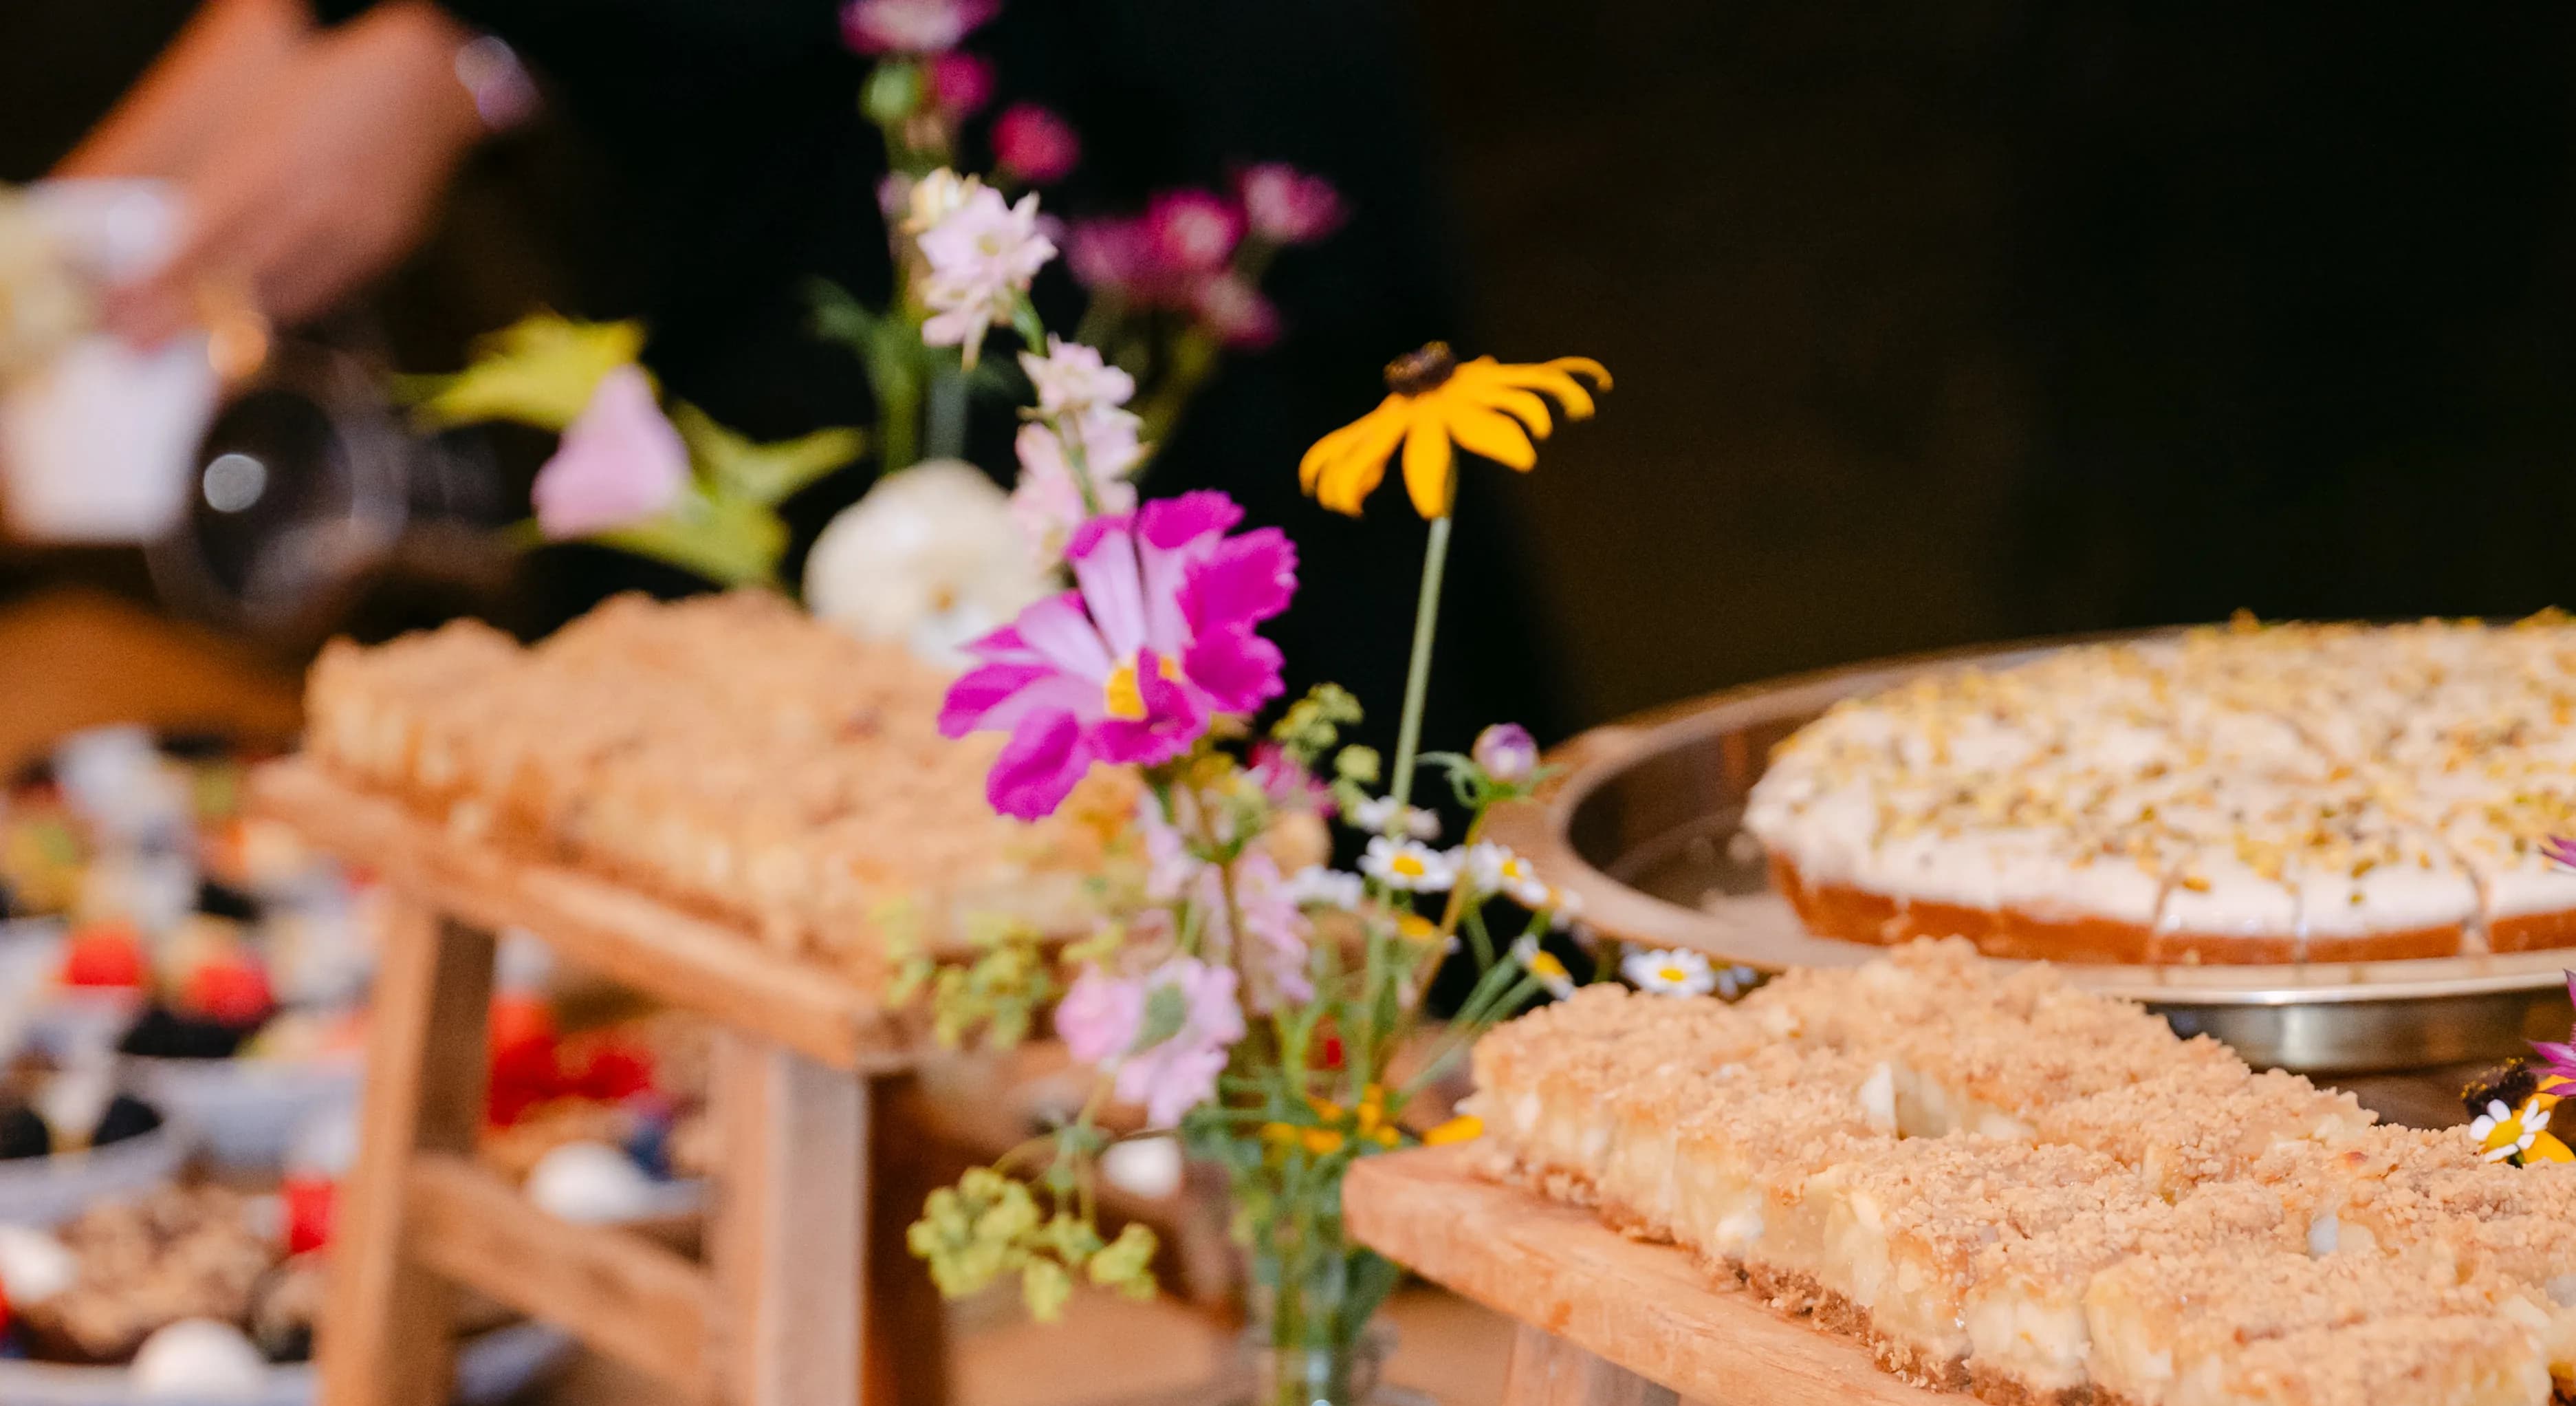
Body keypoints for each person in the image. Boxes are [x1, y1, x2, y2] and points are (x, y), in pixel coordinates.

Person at [68, 0, 1565, 743]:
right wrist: (49, 268)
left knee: (1185, 737)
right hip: (725, 187)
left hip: (1071, 146)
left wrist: (479, 53)